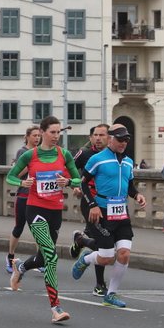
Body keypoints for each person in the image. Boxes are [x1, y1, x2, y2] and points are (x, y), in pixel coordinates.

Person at [5, 115, 81, 323]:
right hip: (35, 209)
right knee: (52, 256)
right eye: (53, 132)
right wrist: (22, 184)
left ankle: (21, 268)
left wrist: (68, 181)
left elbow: (77, 179)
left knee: (42, 258)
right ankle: (56, 308)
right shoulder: (31, 155)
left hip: (55, 210)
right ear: (43, 132)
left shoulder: (64, 154)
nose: (56, 136)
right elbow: (10, 176)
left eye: (59, 132)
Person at [72, 124, 146, 308]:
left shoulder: (128, 161)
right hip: (102, 211)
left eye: (126, 140)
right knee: (106, 257)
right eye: (120, 139)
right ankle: (86, 259)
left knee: (124, 254)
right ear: (111, 139)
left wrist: (137, 195)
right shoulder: (97, 159)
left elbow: (130, 185)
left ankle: (111, 294)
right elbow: (83, 184)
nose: (123, 143)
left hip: (121, 213)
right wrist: (93, 205)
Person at [70, 124, 111, 296]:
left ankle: (81, 240)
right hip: (90, 202)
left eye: (102, 135)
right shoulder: (85, 154)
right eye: (95, 135)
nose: (98, 138)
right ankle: (100, 284)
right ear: (90, 138)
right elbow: (70, 167)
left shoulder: (114, 155)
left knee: (108, 243)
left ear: (110, 137)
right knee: (103, 243)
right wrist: (76, 185)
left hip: (110, 204)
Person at [6, 126, 40, 274]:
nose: (37, 138)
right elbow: (17, 174)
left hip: (38, 195)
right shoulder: (23, 152)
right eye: (34, 135)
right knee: (19, 228)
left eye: (39, 135)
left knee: (39, 229)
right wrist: (32, 162)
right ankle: (10, 257)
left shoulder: (41, 152)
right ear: (27, 137)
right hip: (23, 195)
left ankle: (40, 259)